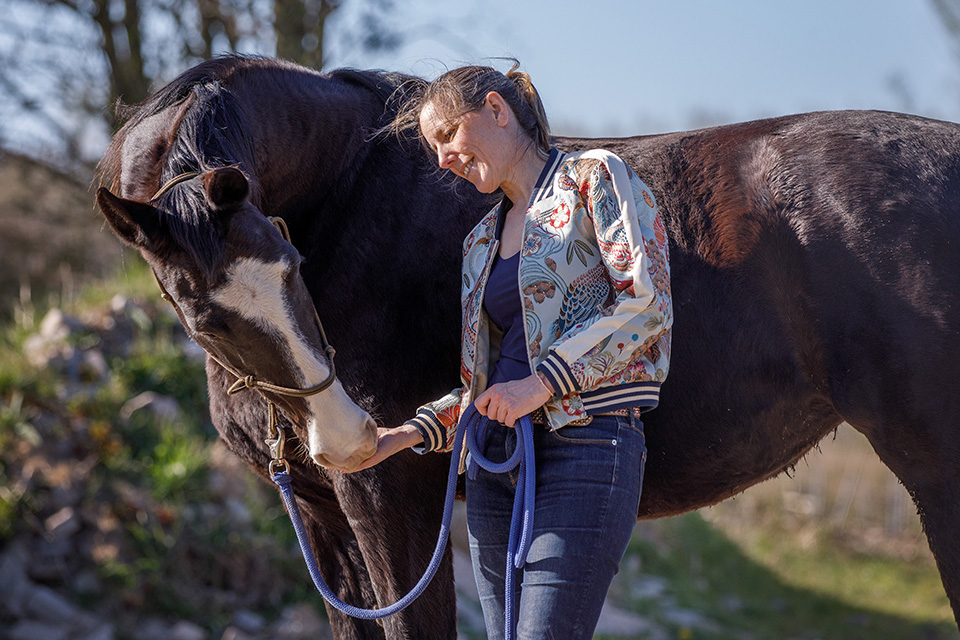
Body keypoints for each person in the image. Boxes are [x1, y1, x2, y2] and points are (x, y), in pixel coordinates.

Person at [352, 61, 673, 640]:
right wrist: (406, 435)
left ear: (497, 110)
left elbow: (646, 306)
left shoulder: (593, 178)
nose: (444, 158)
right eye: (435, 148)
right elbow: (483, 385)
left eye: (448, 135)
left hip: (588, 445)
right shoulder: (479, 242)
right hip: (495, 464)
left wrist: (541, 384)